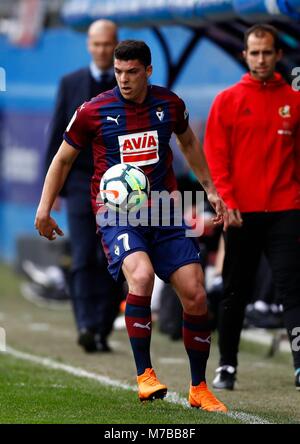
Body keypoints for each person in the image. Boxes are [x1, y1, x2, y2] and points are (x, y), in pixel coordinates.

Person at [35, 40, 229, 411]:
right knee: (140, 276)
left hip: (164, 210)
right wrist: (44, 208)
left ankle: (199, 387)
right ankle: (145, 376)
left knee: (196, 294)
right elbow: (61, 160)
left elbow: (188, 141)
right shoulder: (93, 110)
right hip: (116, 212)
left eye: (132, 72)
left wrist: (211, 190)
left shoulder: (169, 104)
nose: (124, 79)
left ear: (148, 71)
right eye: (118, 72)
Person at [204, 24, 300, 390]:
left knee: (293, 290)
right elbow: (216, 156)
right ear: (245, 55)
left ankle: (299, 364)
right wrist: (227, 201)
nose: (260, 58)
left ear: (278, 56)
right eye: (254, 52)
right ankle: (227, 365)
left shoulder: (295, 100)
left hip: (286, 210)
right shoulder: (227, 100)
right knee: (234, 292)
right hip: (240, 214)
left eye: (267, 52)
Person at [45, 19, 123, 353]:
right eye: (96, 44)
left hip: (120, 187)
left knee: (113, 256)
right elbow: (56, 139)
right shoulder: (70, 82)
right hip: (78, 182)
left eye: (108, 44)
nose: (102, 50)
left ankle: (103, 325)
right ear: (88, 45)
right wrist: (54, 191)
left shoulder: (130, 84)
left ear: (116, 45)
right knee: (81, 256)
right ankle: (86, 325)